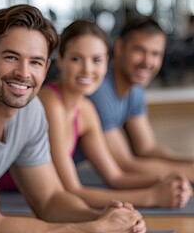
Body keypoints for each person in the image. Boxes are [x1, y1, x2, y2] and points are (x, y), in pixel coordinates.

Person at [0, 4, 146, 233]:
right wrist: (92, 229)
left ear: (47, 67)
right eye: (11, 57)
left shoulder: (31, 110)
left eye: (35, 62)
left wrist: (105, 218)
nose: (23, 72)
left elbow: (50, 199)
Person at [37, 19, 192, 209]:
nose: (87, 69)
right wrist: (152, 197)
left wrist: (170, 181)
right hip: (2, 188)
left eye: (96, 60)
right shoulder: (50, 101)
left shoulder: (86, 110)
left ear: (105, 63)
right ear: (60, 61)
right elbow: (71, 191)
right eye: (76, 59)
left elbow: (116, 176)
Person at [78, 16, 194, 183]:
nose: (147, 61)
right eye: (139, 50)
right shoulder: (99, 90)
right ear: (119, 47)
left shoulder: (135, 90)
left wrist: (189, 164)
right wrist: (188, 173)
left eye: (155, 53)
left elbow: (147, 149)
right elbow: (125, 165)